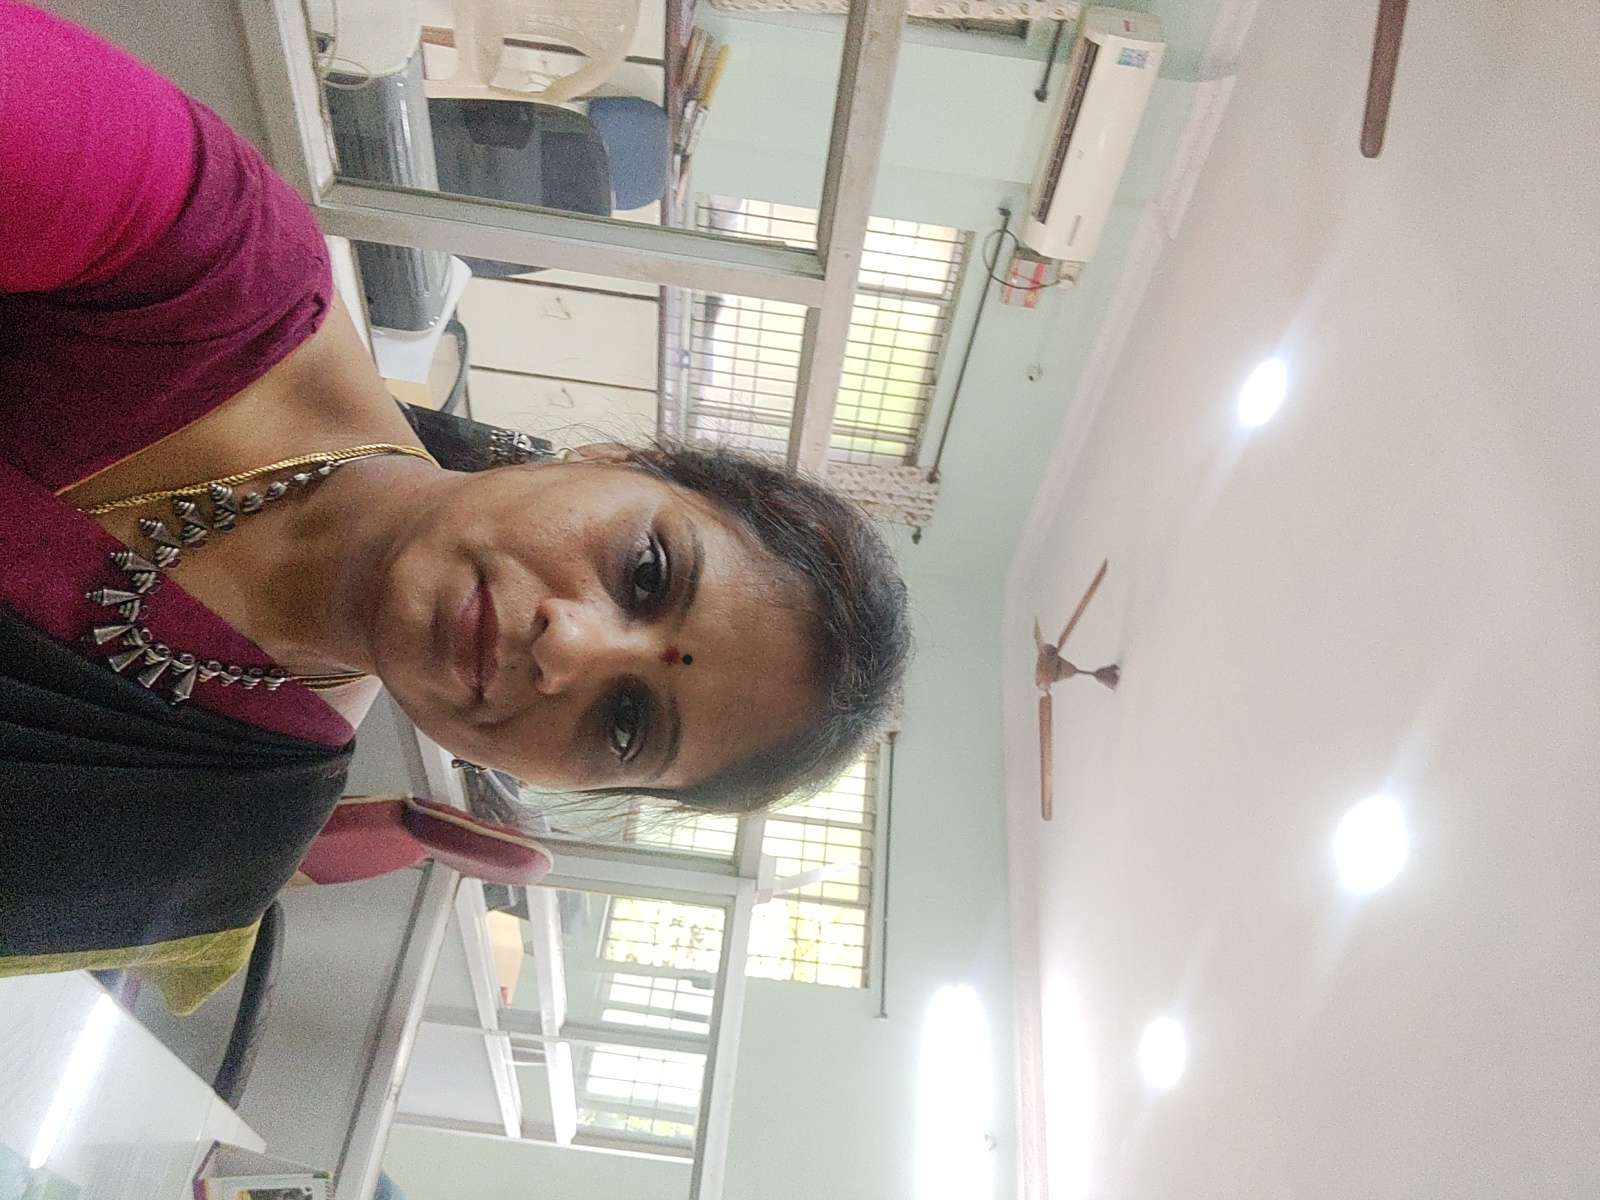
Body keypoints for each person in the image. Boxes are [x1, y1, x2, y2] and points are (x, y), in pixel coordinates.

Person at [0, 3, 909, 1007]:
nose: (568, 649)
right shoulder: (202, 264)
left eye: (625, 722)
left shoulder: (215, 829)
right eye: (646, 573)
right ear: (611, 459)